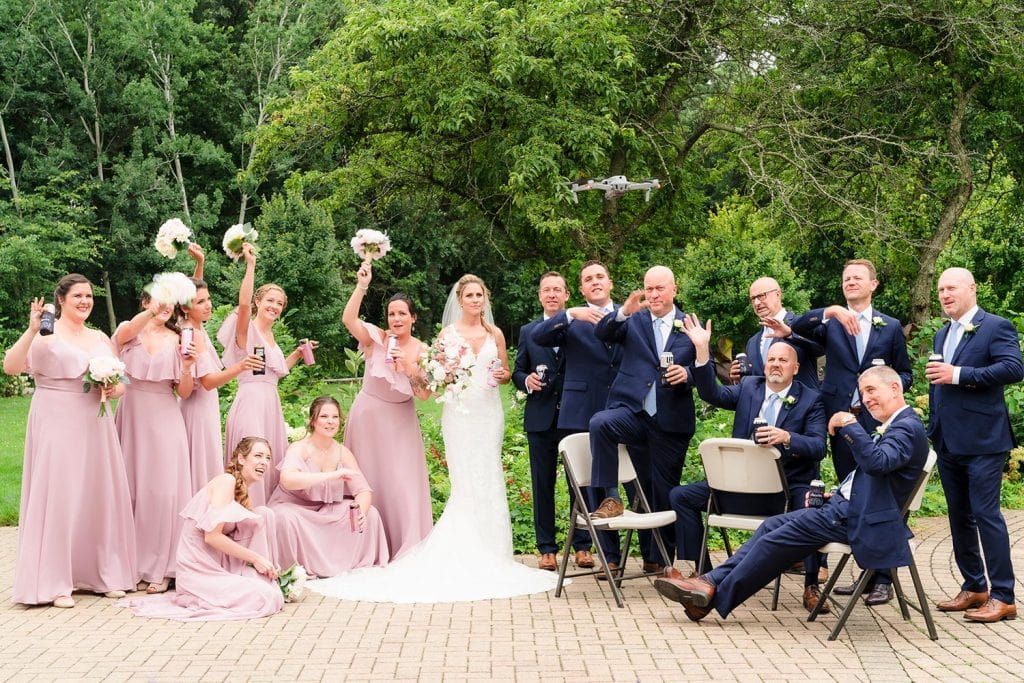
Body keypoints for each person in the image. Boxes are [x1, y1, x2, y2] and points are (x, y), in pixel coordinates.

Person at [308, 274, 560, 602]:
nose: (475, 300)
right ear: (460, 300)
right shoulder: (446, 336)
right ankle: (461, 547)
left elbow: (504, 372)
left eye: (479, 295)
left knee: (489, 477)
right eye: (469, 295)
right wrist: (440, 374)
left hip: (488, 413)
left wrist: (502, 375)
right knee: (463, 481)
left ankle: (495, 551)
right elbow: (433, 383)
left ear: (485, 299)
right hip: (459, 415)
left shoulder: (495, 333)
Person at [653, 365, 929, 623]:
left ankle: (708, 594)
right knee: (770, 526)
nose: (866, 399)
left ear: (895, 388)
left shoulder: (906, 427)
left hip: (858, 519)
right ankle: (707, 586)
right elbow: (879, 475)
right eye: (863, 392)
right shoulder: (899, 424)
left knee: (776, 540)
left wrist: (850, 423)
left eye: (871, 390)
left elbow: (877, 463)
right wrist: (836, 494)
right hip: (846, 509)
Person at [676, 315, 828, 611]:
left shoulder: (811, 399)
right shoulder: (749, 387)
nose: (775, 365)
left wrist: (787, 437)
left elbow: (818, 446)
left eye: (783, 360)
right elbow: (712, 393)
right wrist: (702, 351)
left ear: (796, 368)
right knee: (681, 496)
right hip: (741, 488)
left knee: (812, 507)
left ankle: (811, 586)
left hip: (785, 491)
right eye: (771, 359)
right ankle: (703, 573)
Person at [3, 275, 137, 607]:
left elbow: (122, 384)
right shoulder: (46, 334)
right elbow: (11, 367)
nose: (85, 301)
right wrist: (31, 329)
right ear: (61, 300)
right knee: (60, 493)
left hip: (95, 421)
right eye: (77, 295)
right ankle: (54, 582)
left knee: (96, 492)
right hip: (56, 418)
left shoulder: (99, 337)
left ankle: (100, 573)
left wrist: (113, 388)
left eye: (89, 296)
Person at [789, 259, 912, 604]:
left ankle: (884, 578)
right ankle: (866, 572)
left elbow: (905, 374)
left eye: (858, 277)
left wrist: (884, 391)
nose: (851, 282)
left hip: (878, 423)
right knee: (852, 493)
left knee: (884, 497)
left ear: (873, 284)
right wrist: (830, 311)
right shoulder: (830, 325)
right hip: (841, 421)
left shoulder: (890, 326)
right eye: (846, 278)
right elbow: (796, 325)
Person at [926, 268, 1023, 623]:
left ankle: (1003, 596)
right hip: (948, 440)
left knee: (986, 515)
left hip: (984, 440)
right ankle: (974, 586)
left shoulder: (995, 326)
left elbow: (1013, 368)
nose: (945, 294)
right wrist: (934, 427)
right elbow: (939, 384)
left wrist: (959, 374)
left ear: (972, 289)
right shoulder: (942, 334)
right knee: (958, 516)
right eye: (940, 290)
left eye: (951, 288)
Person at [589, 265, 697, 569]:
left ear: (674, 289)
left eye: (660, 288)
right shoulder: (633, 319)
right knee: (600, 423)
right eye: (649, 288)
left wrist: (687, 374)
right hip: (633, 412)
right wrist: (623, 311)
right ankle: (612, 498)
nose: (654, 294)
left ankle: (658, 559)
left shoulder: (690, 324)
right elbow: (603, 333)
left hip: (671, 422)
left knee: (661, 492)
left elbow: (706, 367)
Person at [120, 437, 284, 621]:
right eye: (258, 455)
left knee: (264, 515)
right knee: (266, 596)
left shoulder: (241, 491)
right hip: (198, 572)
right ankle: (204, 593)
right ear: (241, 458)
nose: (264, 462)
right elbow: (212, 537)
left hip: (219, 565)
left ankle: (257, 576)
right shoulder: (226, 481)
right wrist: (256, 558)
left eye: (268, 458)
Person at [530, 261, 626, 573]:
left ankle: (649, 554)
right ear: (581, 289)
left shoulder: (628, 314)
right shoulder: (571, 320)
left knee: (631, 482)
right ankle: (609, 557)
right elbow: (539, 336)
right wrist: (571, 314)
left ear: (610, 282)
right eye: (588, 279)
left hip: (624, 409)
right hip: (582, 412)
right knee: (594, 487)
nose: (595, 282)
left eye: (600, 276)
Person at [341, 262, 432, 559]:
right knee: (369, 480)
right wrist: (362, 286)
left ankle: (406, 544)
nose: (396, 319)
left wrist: (405, 365)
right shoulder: (376, 338)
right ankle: (366, 544)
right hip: (367, 419)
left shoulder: (422, 350)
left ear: (413, 318)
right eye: (392, 314)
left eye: (402, 313)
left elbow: (425, 394)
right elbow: (348, 318)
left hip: (401, 422)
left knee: (402, 484)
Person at [218, 244, 316, 506]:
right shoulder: (247, 330)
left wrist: (298, 354)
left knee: (269, 460)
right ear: (258, 302)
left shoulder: (270, 336)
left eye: (280, 303)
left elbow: (275, 372)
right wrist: (251, 265)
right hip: (250, 402)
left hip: (270, 404)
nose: (275, 306)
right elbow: (242, 305)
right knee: (252, 460)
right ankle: (248, 511)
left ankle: (267, 514)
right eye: (270, 301)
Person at [114, 290, 194, 595]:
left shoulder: (179, 339)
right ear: (145, 302)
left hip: (164, 417)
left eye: (170, 302)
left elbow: (184, 392)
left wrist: (186, 368)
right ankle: (133, 565)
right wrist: (151, 313)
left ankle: (163, 568)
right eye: (160, 300)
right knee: (131, 490)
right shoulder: (129, 332)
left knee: (164, 493)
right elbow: (124, 335)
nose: (166, 307)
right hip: (131, 416)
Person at [512, 271, 591, 570]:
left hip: (575, 417)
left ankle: (583, 546)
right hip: (541, 418)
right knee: (542, 485)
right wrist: (526, 381)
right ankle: (546, 549)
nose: (552, 294)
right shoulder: (529, 331)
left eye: (558, 289)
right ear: (539, 296)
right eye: (547, 290)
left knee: (579, 485)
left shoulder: (581, 328)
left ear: (567, 295)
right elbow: (518, 370)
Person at [269, 396, 389, 576]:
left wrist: (360, 511)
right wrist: (331, 475)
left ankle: (348, 563)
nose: (330, 421)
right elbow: (288, 479)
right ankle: (294, 571)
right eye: (324, 416)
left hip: (326, 510)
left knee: (371, 513)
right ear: (313, 420)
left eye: (335, 417)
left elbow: (363, 490)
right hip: (294, 509)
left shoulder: (343, 452)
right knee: (283, 517)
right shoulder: (300, 448)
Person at [178, 245, 263, 494]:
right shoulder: (191, 332)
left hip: (205, 407)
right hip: (197, 408)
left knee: (203, 462)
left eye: (208, 299)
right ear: (185, 308)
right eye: (201, 302)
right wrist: (241, 366)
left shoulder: (193, 324)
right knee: (201, 463)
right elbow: (207, 381)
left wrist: (200, 264)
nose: (208, 305)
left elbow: (191, 294)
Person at [731, 277, 823, 389]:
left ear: (778, 295)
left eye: (761, 296)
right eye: (753, 299)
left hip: (801, 399)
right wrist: (739, 379)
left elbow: (820, 349)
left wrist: (790, 334)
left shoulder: (801, 323)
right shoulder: (752, 342)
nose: (756, 303)